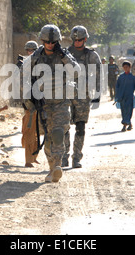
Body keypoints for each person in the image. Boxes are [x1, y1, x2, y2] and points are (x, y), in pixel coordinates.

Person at [21, 24, 79, 182]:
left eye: (53, 42)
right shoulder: (36, 56)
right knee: (47, 137)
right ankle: (51, 167)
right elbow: (22, 74)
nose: (50, 45)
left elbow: (76, 71)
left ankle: (57, 165)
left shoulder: (63, 54)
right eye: (47, 42)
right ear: (42, 40)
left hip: (61, 101)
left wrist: (64, 56)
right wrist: (27, 98)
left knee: (58, 133)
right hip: (43, 103)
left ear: (58, 41)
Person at [62, 25, 101, 168]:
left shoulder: (91, 55)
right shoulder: (65, 54)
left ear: (85, 39)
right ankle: (63, 156)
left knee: (80, 127)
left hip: (83, 96)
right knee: (64, 126)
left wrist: (97, 95)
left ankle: (76, 157)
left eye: (79, 40)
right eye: (74, 40)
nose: (77, 42)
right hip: (66, 94)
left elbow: (98, 75)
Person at [20, 41, 40, 167]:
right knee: (29, 131)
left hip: (41, 102)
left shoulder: (41, 63)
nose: (31, 52)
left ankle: (34, 156)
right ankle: (28, 160)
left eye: (33, 50)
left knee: (38, 131)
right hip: (30, 103)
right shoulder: (25, 65)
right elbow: (22, 85)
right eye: (29, 50)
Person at [115, 61, 135, 132]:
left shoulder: (133, 77)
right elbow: (117, 87)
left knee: (129, 110)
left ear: (130, 67)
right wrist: (117, 96)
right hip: (122, 97)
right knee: (123, 111)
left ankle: (125, 125)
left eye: (127, 67)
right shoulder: (120, 77)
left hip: (130, 97)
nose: (126, 68)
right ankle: (128, 123)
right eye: (124, 67)